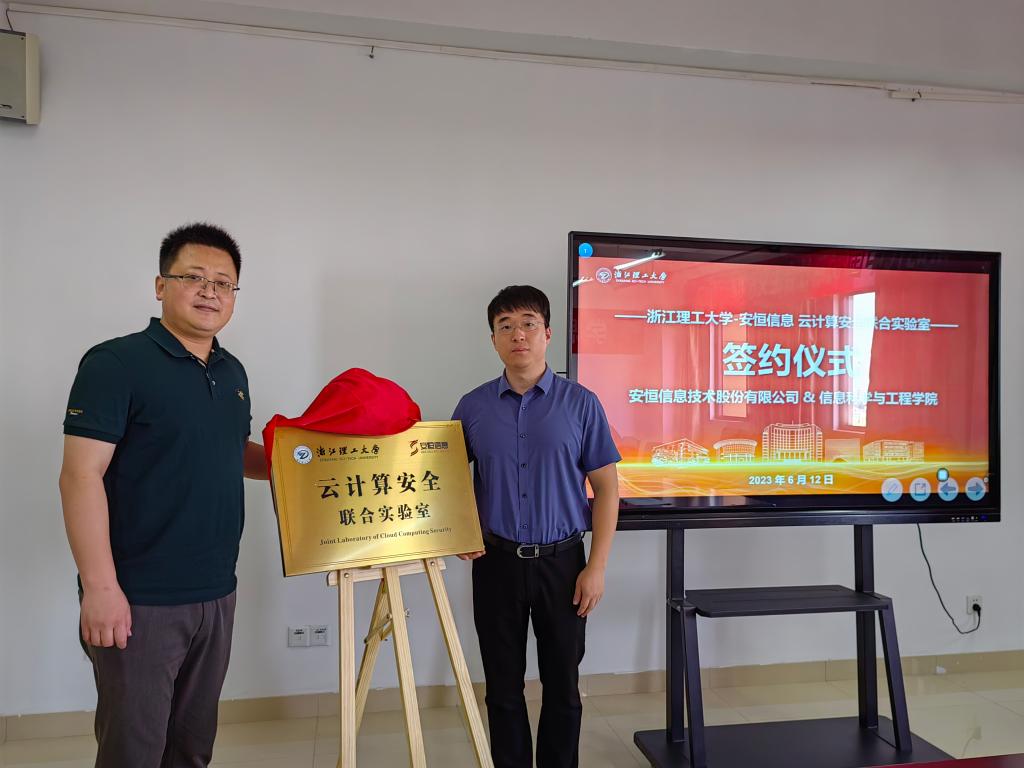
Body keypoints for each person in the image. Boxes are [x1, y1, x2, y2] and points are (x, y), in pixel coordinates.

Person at [58, 222, 269, 768]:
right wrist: (100, 588)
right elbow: (80, 476)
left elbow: (230, 450)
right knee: (134, 750)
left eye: (223, 283)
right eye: (193, 277)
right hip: (140, 596)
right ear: (160, 285)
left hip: (216, 589)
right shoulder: (115, 364)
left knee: (192, 747)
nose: (209, 292)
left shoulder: (232, 371)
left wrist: (304, 458)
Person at [452, 285, 621, 768]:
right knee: (502, 686)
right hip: (496, 563)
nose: (517, 335)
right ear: (493, 339)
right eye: (505, 326)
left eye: (528, 323)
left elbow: (607, 489)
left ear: (547, 333)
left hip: (564, 564)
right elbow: (447, 480)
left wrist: (597, 567)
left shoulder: (581, 404)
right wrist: (459, 531)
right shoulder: (473, 407)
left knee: (562, 685)